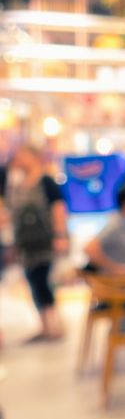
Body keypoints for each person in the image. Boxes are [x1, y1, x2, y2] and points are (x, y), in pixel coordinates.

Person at [1, 145, 68, 341]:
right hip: (26, 244)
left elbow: (58, 208)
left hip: (45, 241)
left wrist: (60, 235)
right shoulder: (17, 184)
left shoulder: (45, 181)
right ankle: (45, 326)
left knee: (44, 282)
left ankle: (55, 325)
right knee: (34, 283)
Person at [85, 184, 125, 275]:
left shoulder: (124, 223)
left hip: (124, 279)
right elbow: (89, 248)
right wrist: (115, 269)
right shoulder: (116, 224)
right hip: (114, 281)